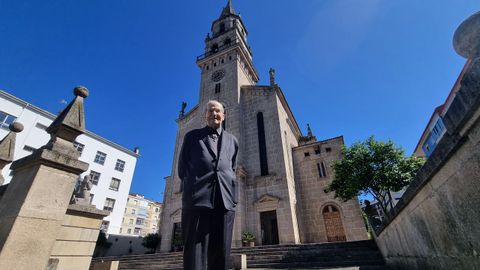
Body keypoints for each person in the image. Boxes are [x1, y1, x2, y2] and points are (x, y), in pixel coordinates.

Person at [178, 100, 239, 270]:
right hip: (197, 199)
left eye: (218, 111)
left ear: (224, 115)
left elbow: (232, 169)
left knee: (222, 251)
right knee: (195, 252)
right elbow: (182, 169)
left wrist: (233, 198)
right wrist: (193, 187)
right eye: (210, 111)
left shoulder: (233, 141)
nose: (214, 114)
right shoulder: (191, 136)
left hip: (225, 201)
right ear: (205, 115)